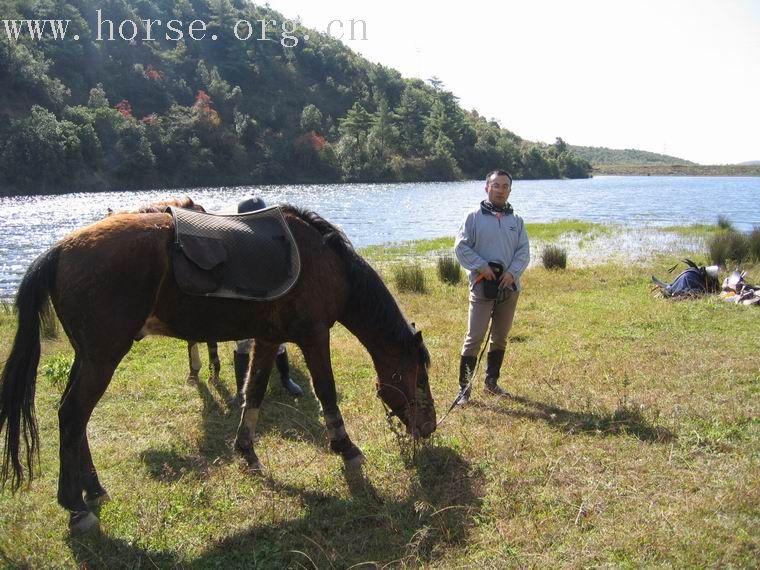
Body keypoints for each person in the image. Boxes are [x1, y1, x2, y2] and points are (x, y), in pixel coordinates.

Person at [454, 169, 530, 404]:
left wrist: (512, 273)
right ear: (486, 187)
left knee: (500, 338)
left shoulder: (516, 221)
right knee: (474, 337)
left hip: (509, 288)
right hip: (481, 287)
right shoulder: (473, 217)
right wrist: (481, 267)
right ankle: (464, 390)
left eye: (505, 186)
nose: (500, 190)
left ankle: (491, 383)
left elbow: (523, 252)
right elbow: (461, 247)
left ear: (510, 190)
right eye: (495, 185)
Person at [232, 196, 304, 399]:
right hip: (245, 299)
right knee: (243, 343)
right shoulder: (235, 239)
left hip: (270, 297)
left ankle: (286, 378)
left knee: (278, 340)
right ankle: (241, 391)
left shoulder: (276, 235)